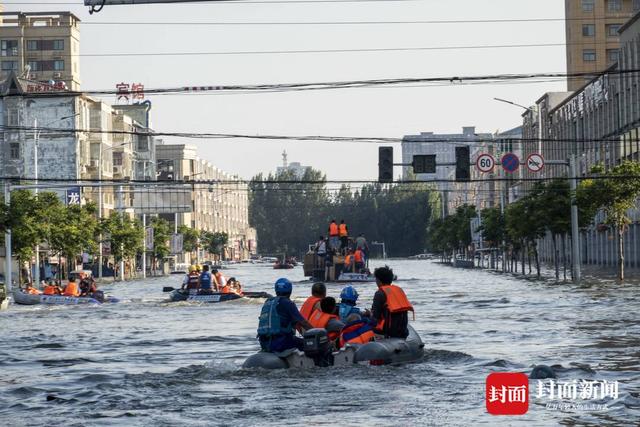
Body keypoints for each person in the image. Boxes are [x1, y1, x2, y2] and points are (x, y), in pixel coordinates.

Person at [257, 278, 313, 353]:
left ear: (276, 290)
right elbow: (303, 323)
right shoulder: (288, 303)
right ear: (290, 290)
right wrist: (315, 331)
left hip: (264, 343)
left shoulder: (269, 302)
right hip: (281, 343)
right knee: (309, 344)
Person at [371, 266, 413, 339]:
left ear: (379, 281)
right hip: (402, 331)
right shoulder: (399, 290)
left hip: (388, 332)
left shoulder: (379, 293)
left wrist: (369, 314)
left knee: (364, 322)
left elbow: (376, 317)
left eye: (376, 279)